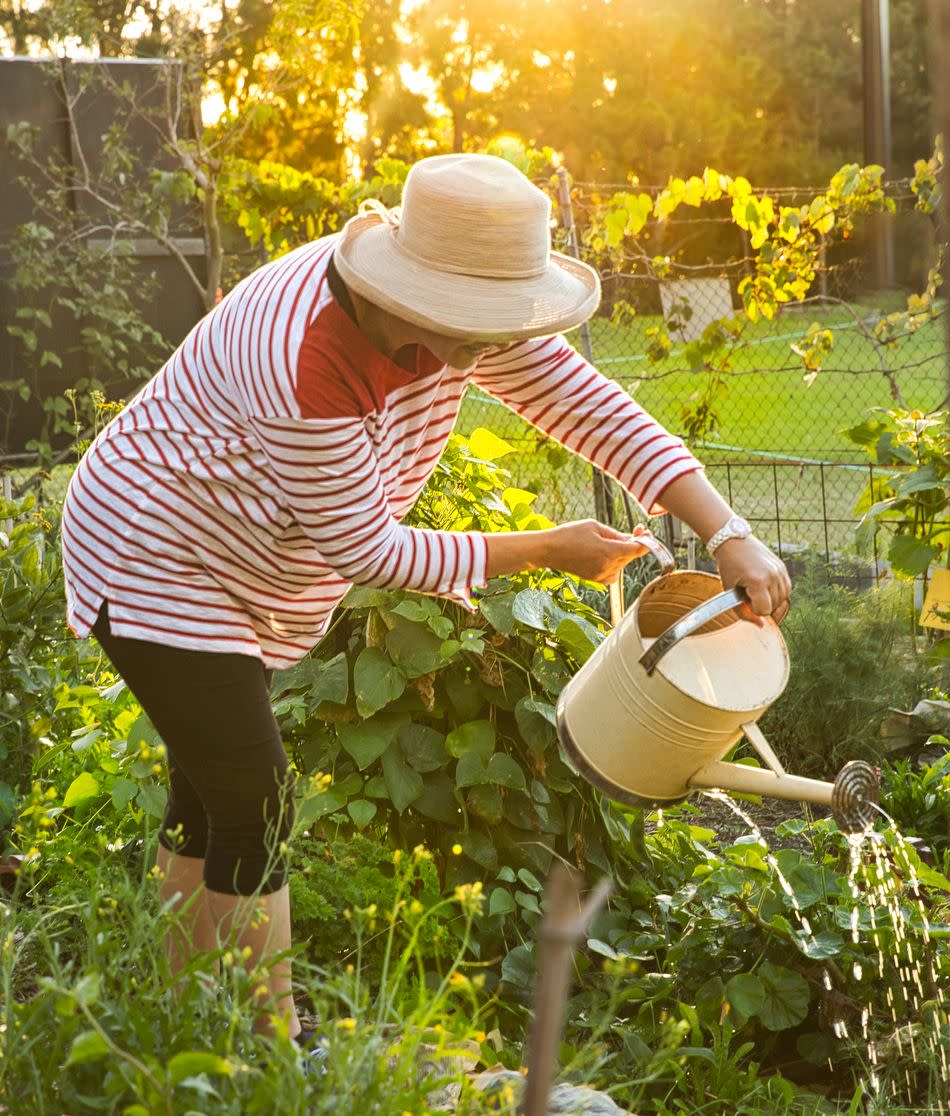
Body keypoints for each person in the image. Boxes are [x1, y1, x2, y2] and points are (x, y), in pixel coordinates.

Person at [60, 152, 790, 1058]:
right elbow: (365, 547)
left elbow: (592, 409)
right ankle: (277, 1052)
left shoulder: (460, 297)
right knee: (258, 798)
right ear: (410, 286)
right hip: (155, 550)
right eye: (473, 329)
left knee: (211, 793)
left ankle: (178, 1022)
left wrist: (729, 533)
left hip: (234, 552)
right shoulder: (308, 357)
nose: (488, 348)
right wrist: (546, 550)